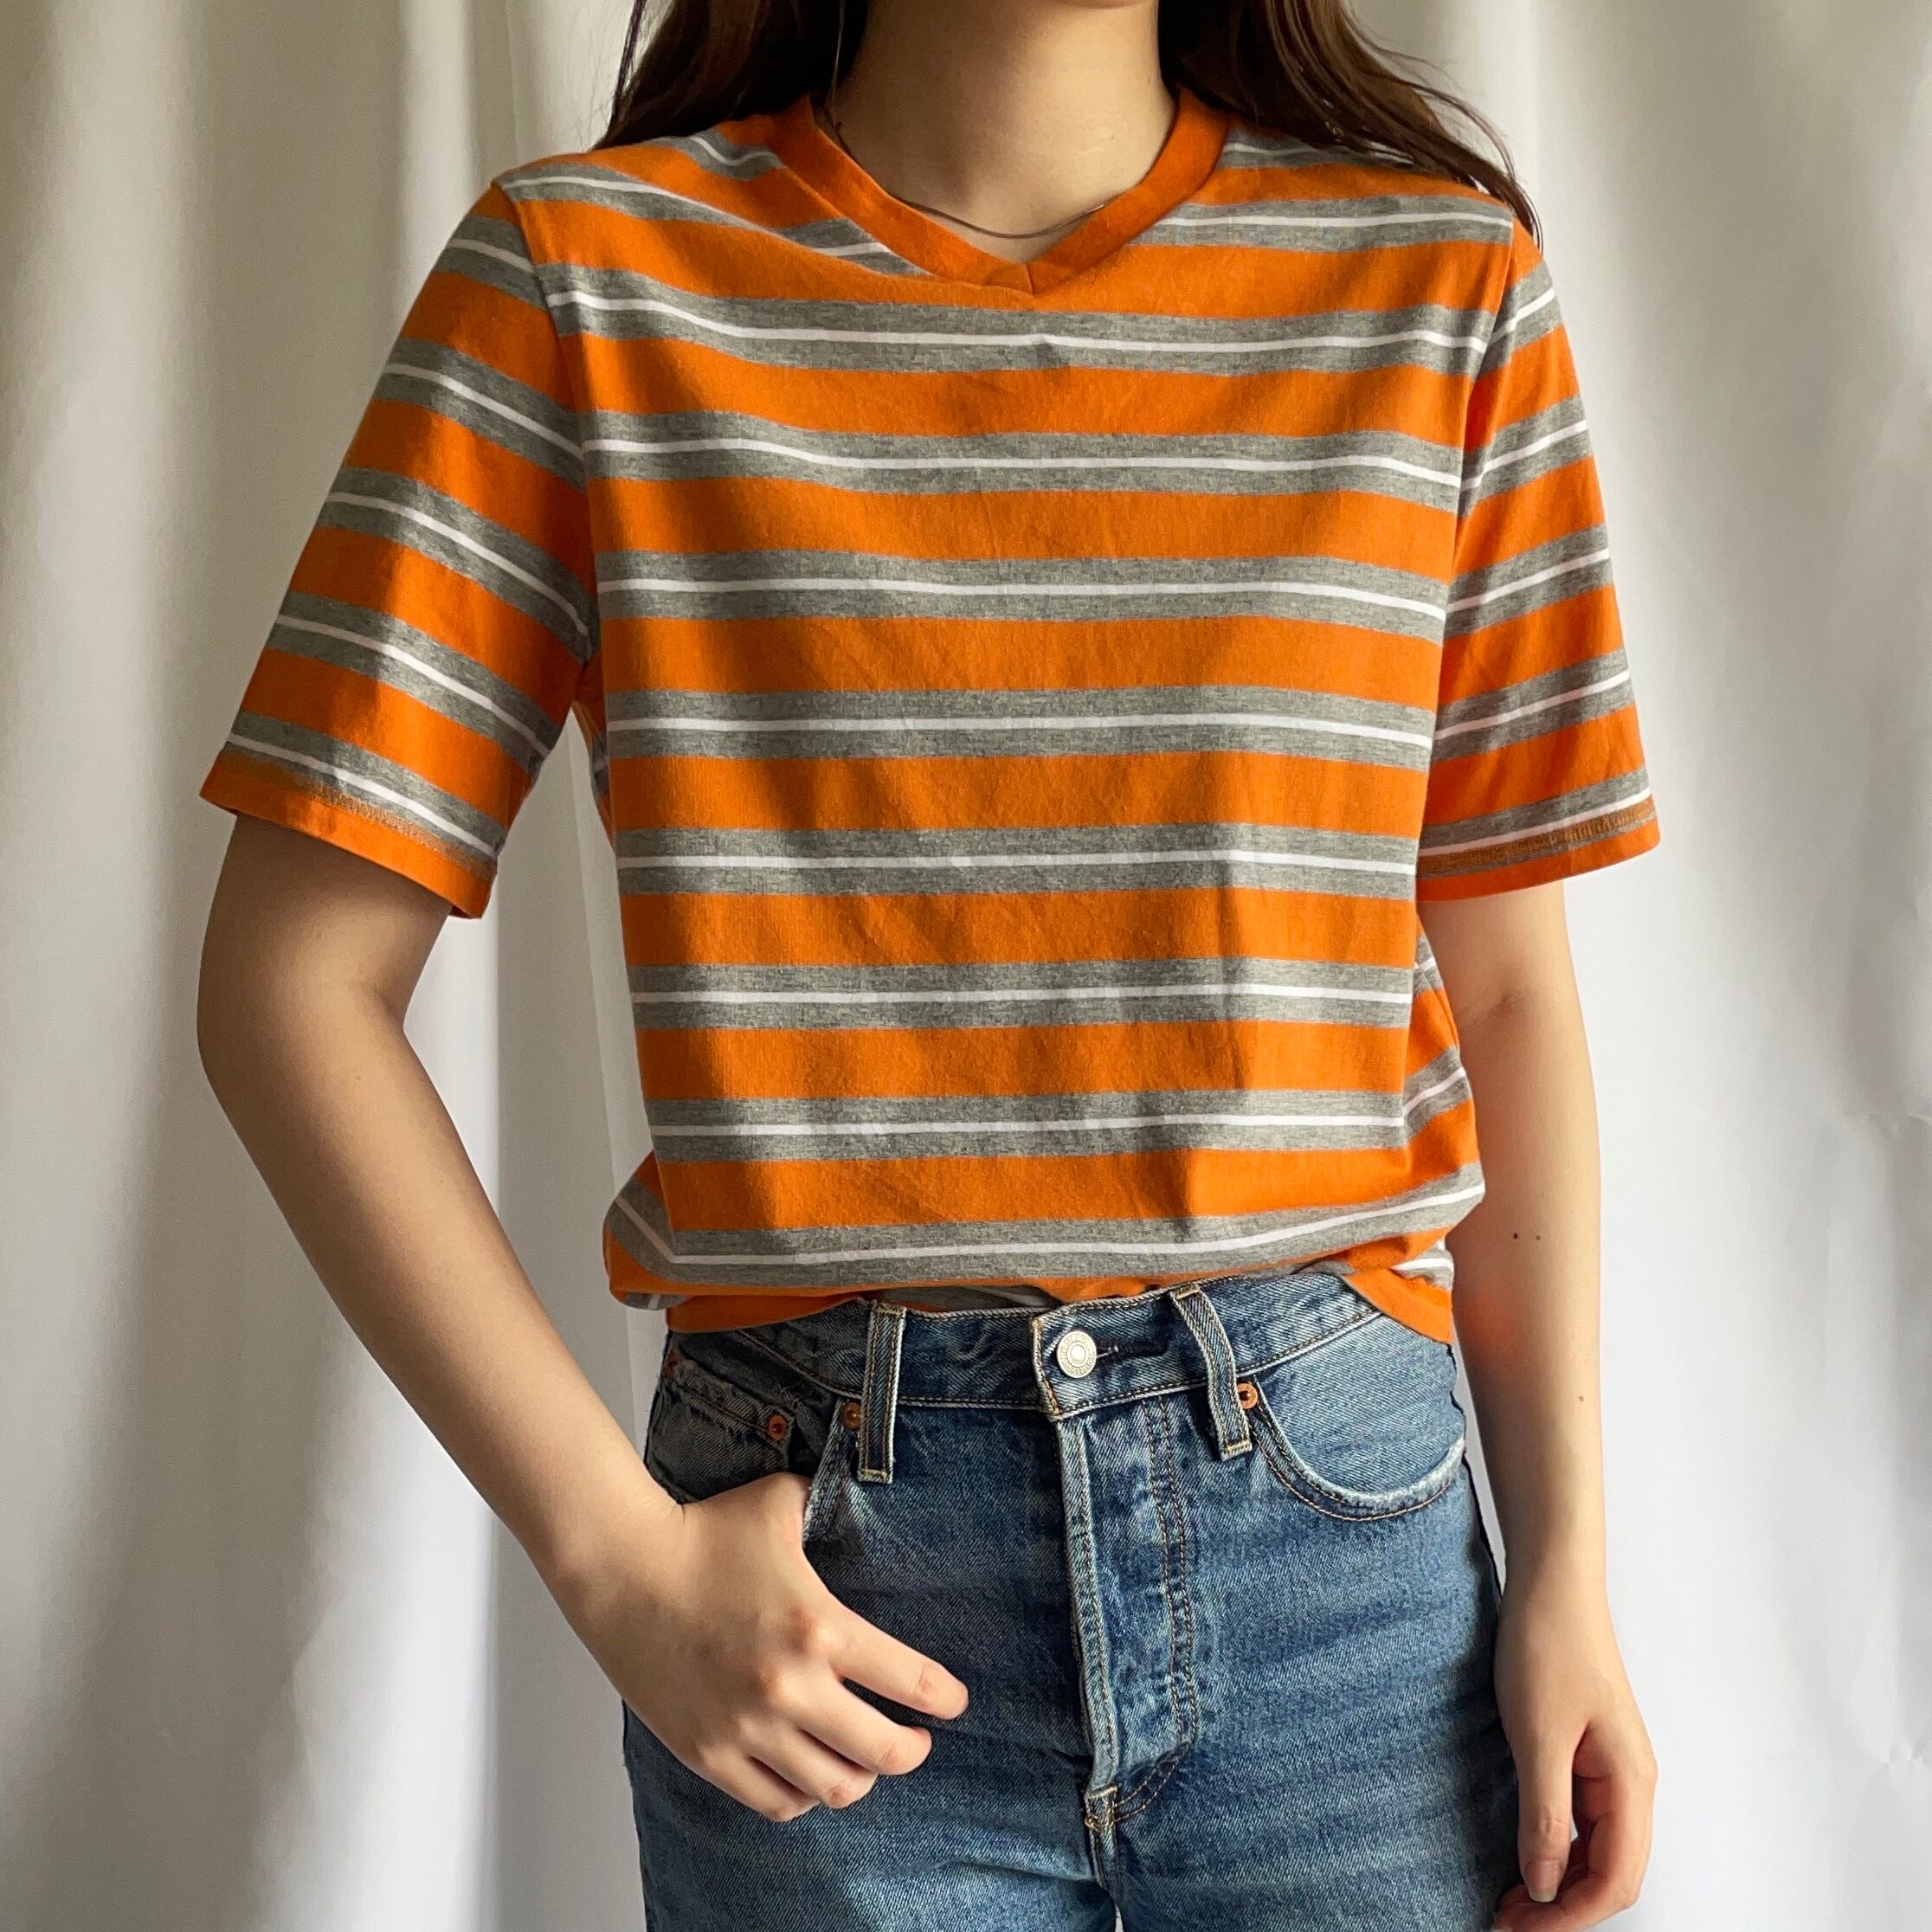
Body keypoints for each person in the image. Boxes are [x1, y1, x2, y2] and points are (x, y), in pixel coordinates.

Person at [195, 0, 1661, 1924]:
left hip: (1347, 1585)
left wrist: (1567, 1575)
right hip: (819, 1589)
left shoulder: (1439, 289)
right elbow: (290, 990)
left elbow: (1513, 999)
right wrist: (612, 1559)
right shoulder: (583, 283)